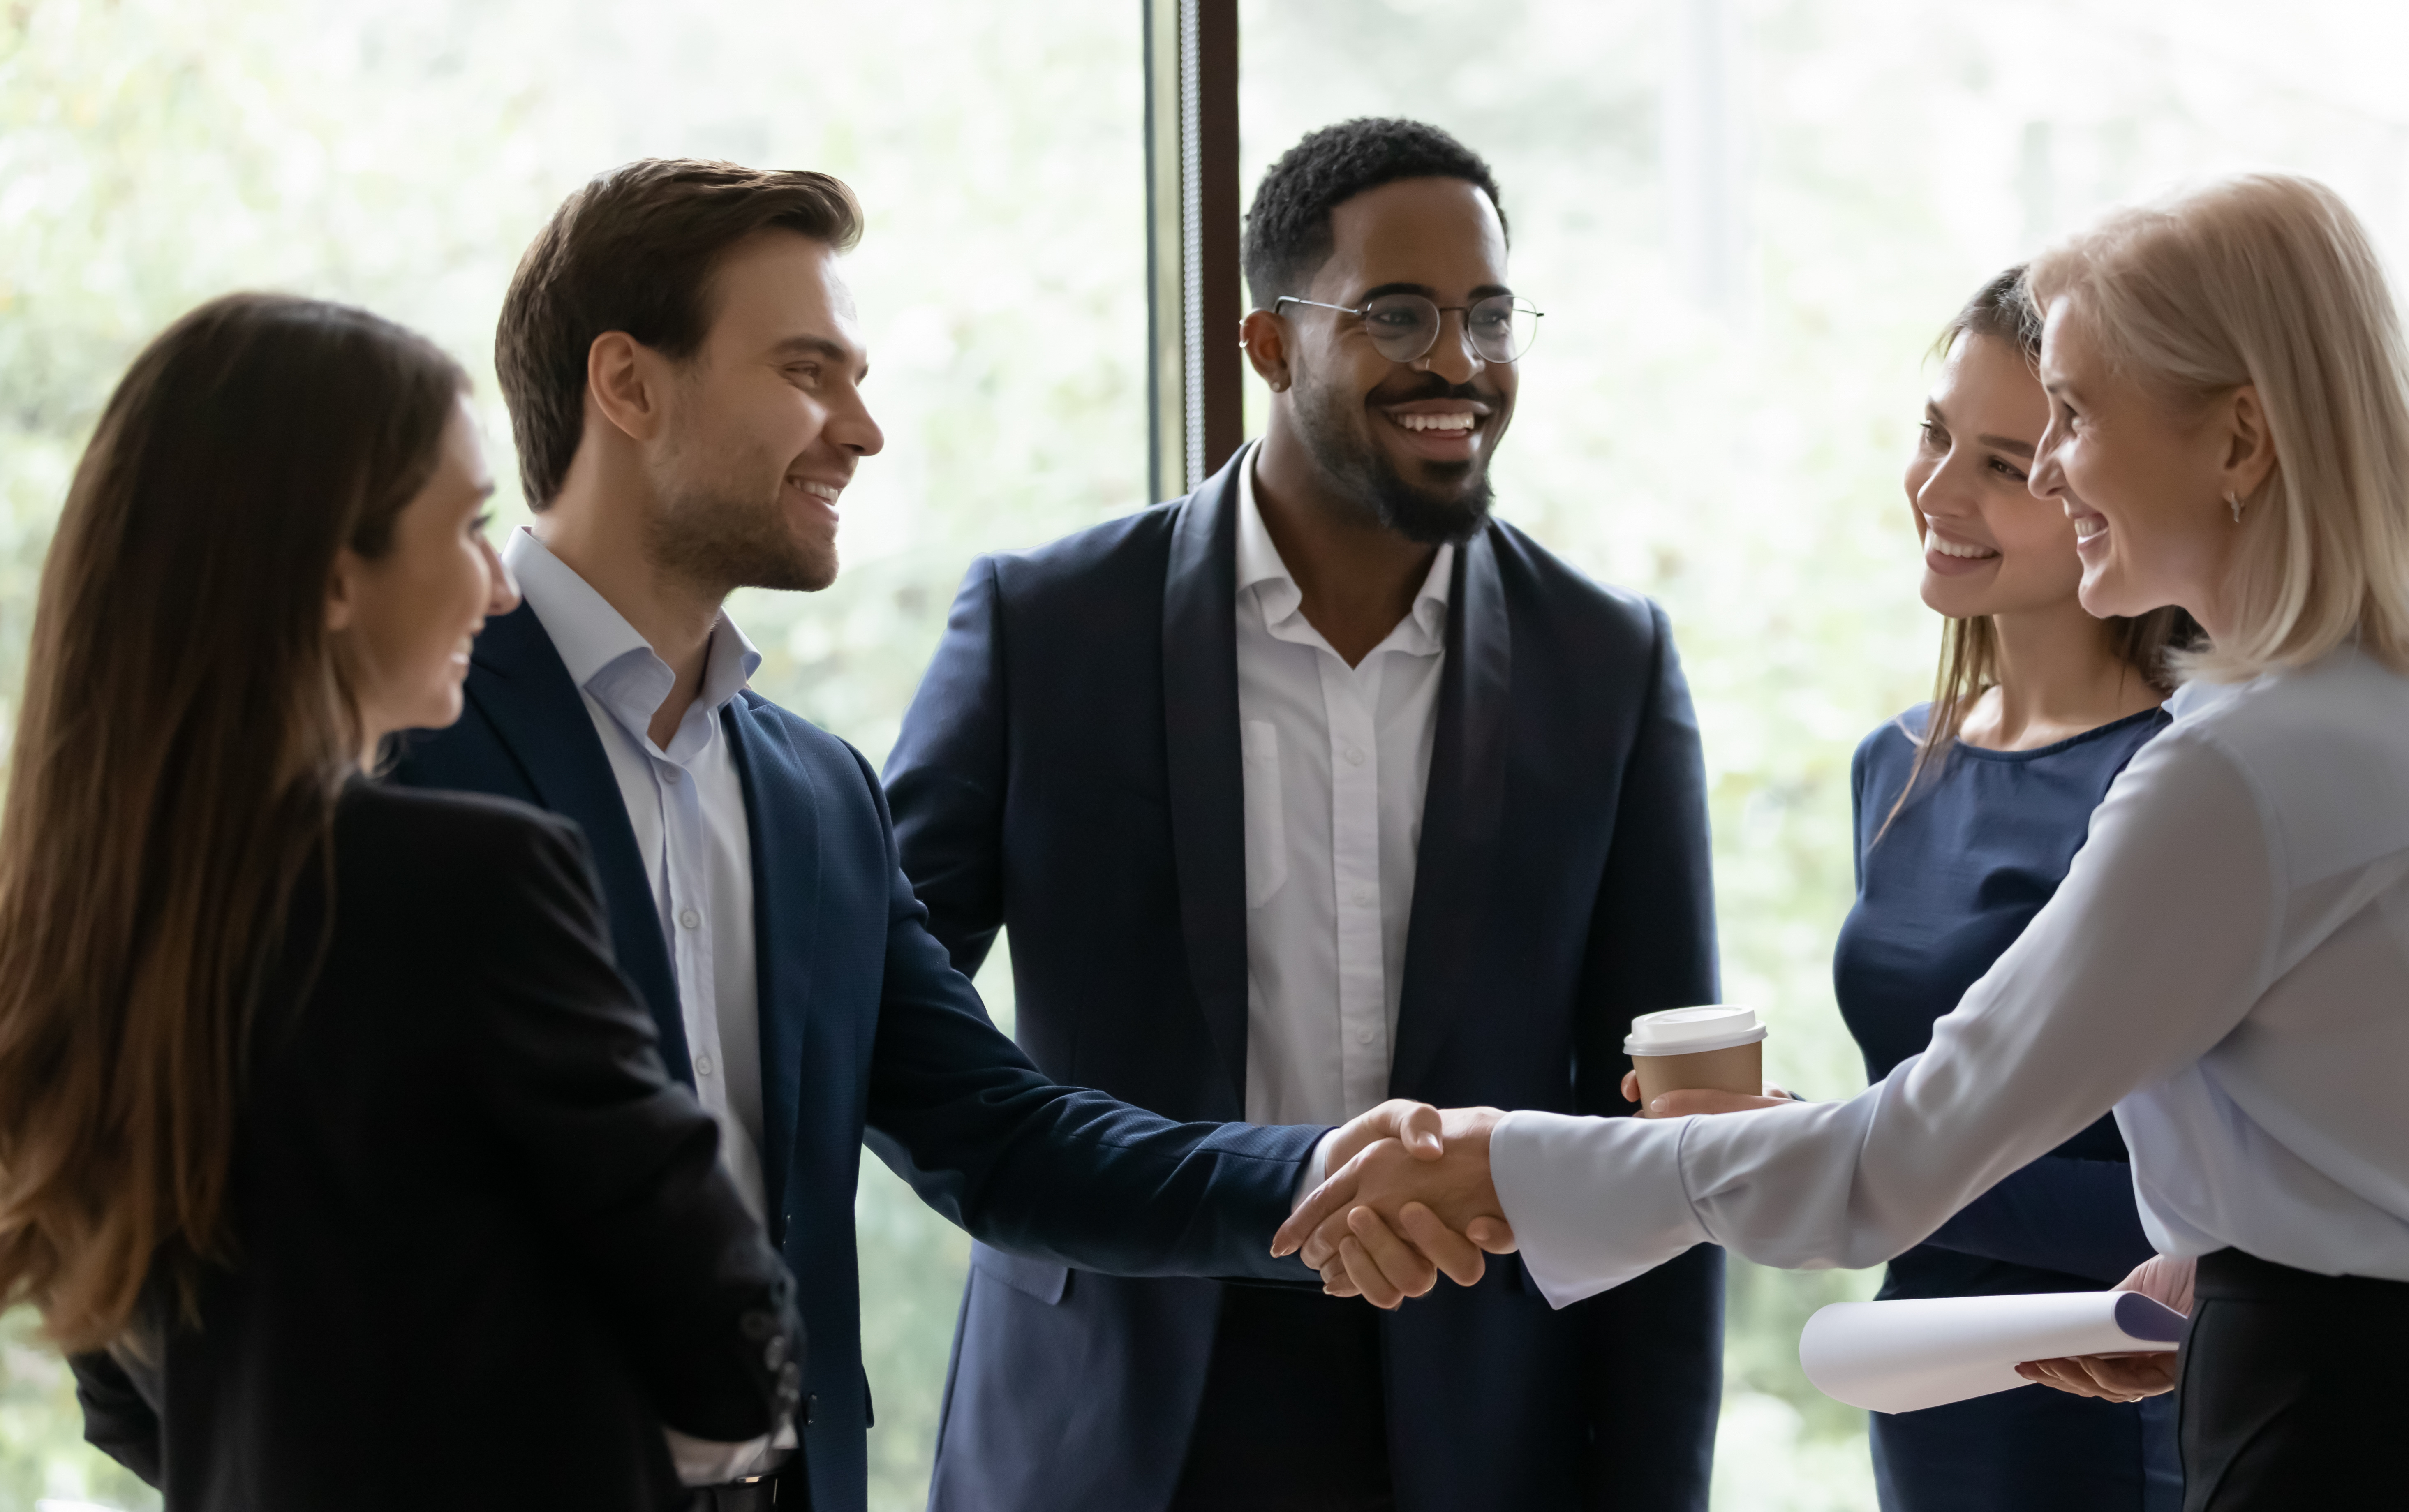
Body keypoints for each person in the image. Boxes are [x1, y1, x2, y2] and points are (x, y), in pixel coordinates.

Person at [1283, 174, 2409, 1511]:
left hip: (2333, 1450)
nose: (2051, 468)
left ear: (2240, 441)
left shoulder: (2235, 771)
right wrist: (2252, 1274)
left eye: (2070, 416)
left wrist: (1504, 1162)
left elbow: (1896, 1162)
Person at [391, 159, 1459, 1512]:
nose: (863, 429)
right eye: (807, 371)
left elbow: (1000, 1136)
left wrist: (1313, 1169)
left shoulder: (816, 795)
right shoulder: (394, 744)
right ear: (628, 385)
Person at [884, 118, 1724, 1512]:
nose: (1457, 362)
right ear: (1267, 346)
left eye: (1489, 315)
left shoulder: (1606, 662)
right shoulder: (1046, 628)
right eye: (1397, 315)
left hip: (1473, 1424)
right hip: (1108, 1409)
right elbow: (889, 1017)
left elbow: (1662, 1124)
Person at [0, 292, 803, 1511]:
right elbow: (716, 1305)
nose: (497, 587)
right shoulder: (465, 880)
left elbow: (122, 1389)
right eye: (470, 527)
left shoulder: (75, 922)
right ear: (334, 579)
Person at [1826, 268, 2188, 1509]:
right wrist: (1828, 1159)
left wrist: (1837, 1167)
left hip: (2129, 1400)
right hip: (1928, 1390)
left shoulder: (2180, 777)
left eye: (2001, 464)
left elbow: (2207, 1209)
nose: (1936, 493)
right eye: (1932, 436)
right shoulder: (1896, 761)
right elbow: (1913, 1111)